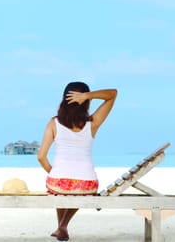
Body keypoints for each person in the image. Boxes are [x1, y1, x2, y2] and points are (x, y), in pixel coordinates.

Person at [37, 82, 118, 241]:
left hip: (58, 182)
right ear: (85, 102)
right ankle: (62, 226)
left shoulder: (54, 123)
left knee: (60, 190)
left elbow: (41, 157)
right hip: (86, 184)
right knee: (77, 191)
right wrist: (87, 95)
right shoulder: (92, 123)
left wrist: (57, 174)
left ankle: (61, 226)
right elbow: (113, 94)